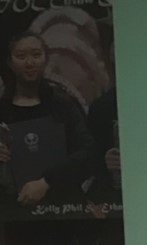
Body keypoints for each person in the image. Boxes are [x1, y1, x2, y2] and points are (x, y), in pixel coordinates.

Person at [0, 29, 94, 207]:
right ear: (9, 62)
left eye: (36, 55)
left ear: (46, 59)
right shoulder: (2, 108)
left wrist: (48, 181)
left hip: (63, 208)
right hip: (11, 210)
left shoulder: (63, 105)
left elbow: (88, 154)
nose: (29, 63)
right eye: (21, 56)